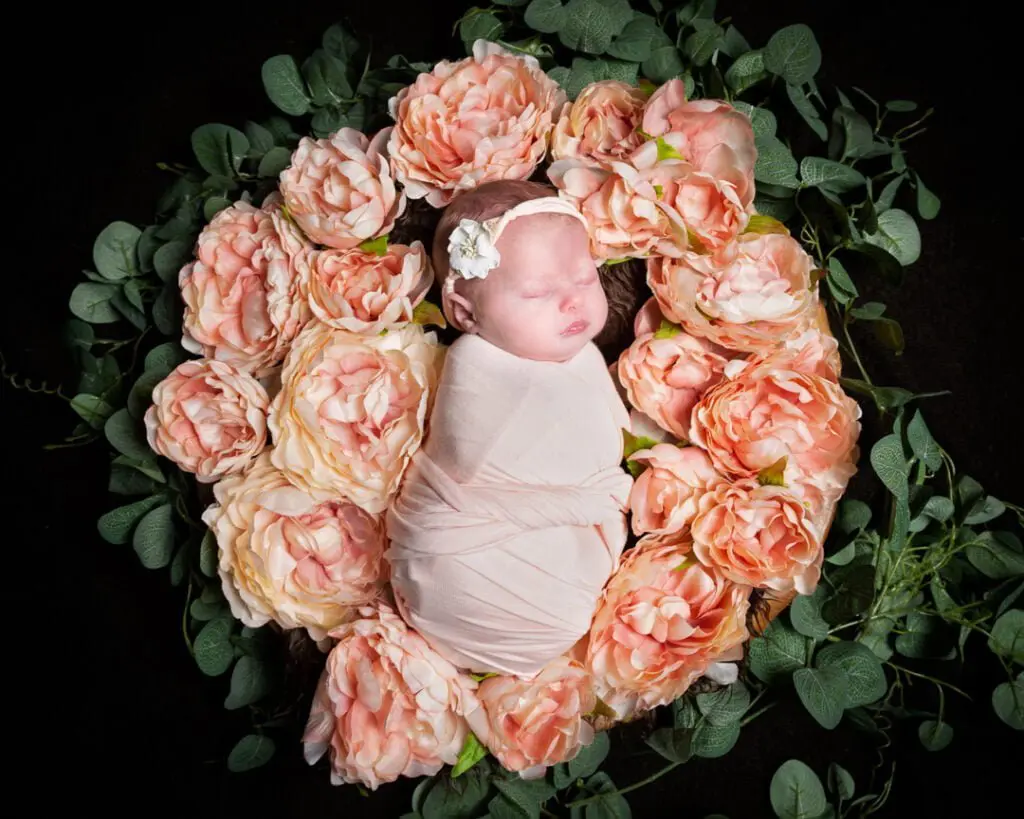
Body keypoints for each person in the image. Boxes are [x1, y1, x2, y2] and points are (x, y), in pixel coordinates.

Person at [384, 180, 634, 678]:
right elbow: (502, 464)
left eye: (584, 279)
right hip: (461, 560)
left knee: (568, 586)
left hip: (543, 562)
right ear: (465, 313)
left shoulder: (584, 358)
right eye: (538, 292)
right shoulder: (473, 367)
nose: (572, 303)